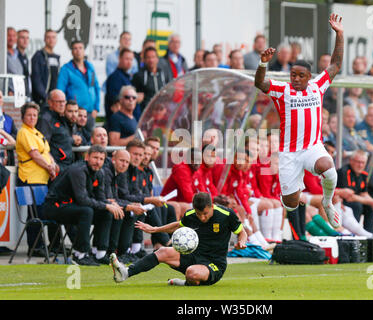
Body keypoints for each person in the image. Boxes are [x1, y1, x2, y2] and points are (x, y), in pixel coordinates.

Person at [255, 13, 344, 229]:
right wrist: (262, 64)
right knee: (291, 204)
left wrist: (339, 34)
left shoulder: (318, 86)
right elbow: (259, 83)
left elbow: (336, 63)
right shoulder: (282, 90)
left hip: (312, 147)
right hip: (289, 153)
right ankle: (298, 189)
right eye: (293, 74)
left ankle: (327, 201)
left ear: (308, 77)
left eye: (300, 76)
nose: (295, 78)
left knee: (328, 167)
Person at [110, 192, 247, 286]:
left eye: (205, 213)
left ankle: (185, 282)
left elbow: (242, 232)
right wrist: (155, 229)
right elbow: (177, 225)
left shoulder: (226, 214)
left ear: (212, 206)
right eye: (199, 214)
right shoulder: (191, 214)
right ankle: (126, 272)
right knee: (163, 251)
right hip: (193, 255)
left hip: (214, 263)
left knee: (191, 273)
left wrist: (242, 241)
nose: (202, 218)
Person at [43, 145, 124, 265]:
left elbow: (100, 198)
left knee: (106, 212)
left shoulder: (100, 172)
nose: (98, 162)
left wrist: (111, 204)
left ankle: (100, 253)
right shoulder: (78, 170)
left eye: (101, 159)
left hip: (72, 207)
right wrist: (107, 205)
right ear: (87, 157)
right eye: (95, 157)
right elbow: (82, 199)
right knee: (87, 211)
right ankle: (79, 254)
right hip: (54, 206)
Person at [16, 102, 58, 257]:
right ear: (22, 117)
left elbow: (46, 152)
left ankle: (42, 245)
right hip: (30, 178)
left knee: (41, 213)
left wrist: (53, 165)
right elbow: (35, 154)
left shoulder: (36, 132)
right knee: (35, 215)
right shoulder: (24, 132)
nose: (32, 117)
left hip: (41, 180)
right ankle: (34, 246)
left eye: (34, 115)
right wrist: (49, 167)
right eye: (29, 115)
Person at [57, 40, 101, 133]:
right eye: (75, 48)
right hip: (75, 113)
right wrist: (63, 108)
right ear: (72, 52)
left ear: (84, 50)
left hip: (89, 113)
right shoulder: (66, 69)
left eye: (80, 48)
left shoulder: (90, 67)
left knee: (90, 141)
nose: (78, 51)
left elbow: (96, 87)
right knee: (76, 139)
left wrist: (96, 108)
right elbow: (60, 91)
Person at [336, 150, 373, 234]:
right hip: (340, 203)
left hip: (352, 202)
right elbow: (349, 197)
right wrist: (372, 202)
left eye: (363, 163)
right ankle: (355, 235)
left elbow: (364, 194)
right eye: (358, 162)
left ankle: (369, 236)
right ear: (351, 161)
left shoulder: (363, 174)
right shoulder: (344, 172)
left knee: (369, 207)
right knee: (357, 205)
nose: (360, 165)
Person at [36, 89, 74, 172]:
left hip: (66, 165)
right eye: (58, 102)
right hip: (56, 167)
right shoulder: (46, 119)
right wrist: (54, 165)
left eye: (64, 101)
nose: (62, 104)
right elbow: (42, 146)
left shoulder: (61, 118)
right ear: (50, 102)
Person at [132, 47, 172, 113]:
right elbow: (134, 95)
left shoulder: (163, 74)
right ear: (144, 60)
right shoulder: (139, 75)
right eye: (148, 57)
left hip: (161, 112)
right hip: (145, 114)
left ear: (157, 59)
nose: (151, 60)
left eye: (153, 57)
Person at [105, 48, 136, 123]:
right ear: (119, 59)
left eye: (131, 59)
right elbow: (115, 102)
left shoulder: (127, 77)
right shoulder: (115, 77)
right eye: (127, 59)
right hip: (120, 122)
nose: (129, 62)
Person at [31, 29, 60, 106]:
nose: (51, 40)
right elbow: (36, 79)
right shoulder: (39, 56)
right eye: (48, 37)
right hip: (43, 100)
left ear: (56, 40)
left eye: (53, 37)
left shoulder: (56, 57)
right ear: (44, 39)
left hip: (54, 99)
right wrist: (45, 97)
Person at [0, 90, 17, 165]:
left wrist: (3, 137)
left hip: (7, 161)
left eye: (0, 97)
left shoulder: (8, 119)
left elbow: (15, 138)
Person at [6, 27, 23, 94]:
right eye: (9, 35)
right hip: (8, 93)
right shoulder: (2, 54)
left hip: (19, 92)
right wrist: (8, 90)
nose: (11, 38)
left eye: (14, 36)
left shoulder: (18, 53)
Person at [16, 29, 31, 98]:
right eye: (22, 37)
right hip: (17, 93)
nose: (25, 40)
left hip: (26, 94)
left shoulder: (25, 56)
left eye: (27, 38)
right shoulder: (14, 56)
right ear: (17, 39)